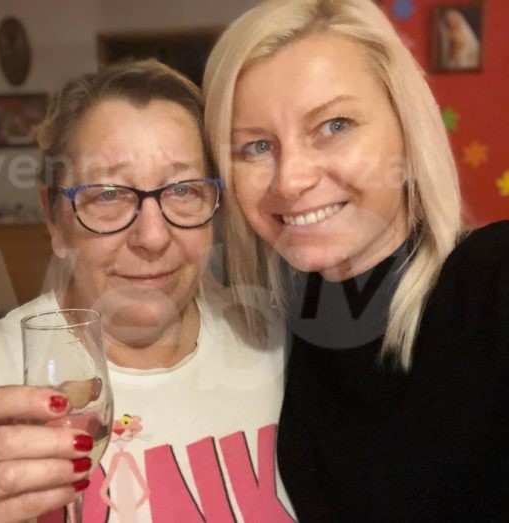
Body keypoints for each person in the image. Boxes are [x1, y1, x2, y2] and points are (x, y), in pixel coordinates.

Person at [0, 60, 293, 523]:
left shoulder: (271, 339)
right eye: (108, 194)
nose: (152, 237)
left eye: (183, 190)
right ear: (55, 220)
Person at [203, 0, 509, 521]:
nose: (291, 180)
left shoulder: (493, 281)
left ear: (407, 132)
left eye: (335, 125)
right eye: (255, 147)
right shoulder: (268, 324)